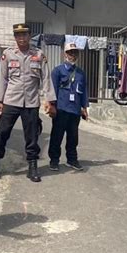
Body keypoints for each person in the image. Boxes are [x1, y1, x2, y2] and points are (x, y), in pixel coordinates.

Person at [0, 23, 55, 183]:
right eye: (18, 35)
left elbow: (46, 78)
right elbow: (2, 78)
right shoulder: (8, 54)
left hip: (31, 103)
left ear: (29, 36)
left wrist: (49, 100)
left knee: (32, 137)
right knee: (2, 133)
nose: (21, 38)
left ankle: (32, 167)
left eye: (24, 35)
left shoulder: (38, 55)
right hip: (11, 100)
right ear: (15, 37)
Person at [48, 43, 89, 171]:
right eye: (70, 52)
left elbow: (84, 92)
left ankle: (72, 159)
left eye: (75, 53)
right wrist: (51, 105)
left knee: (73, 137)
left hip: (75, 110)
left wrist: (84, 108)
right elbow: (52, 89)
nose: (72, 55)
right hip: (61, 108)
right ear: (65, 54)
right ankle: (54, 160)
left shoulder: (81, 73)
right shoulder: (58, 71)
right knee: (57, 135)